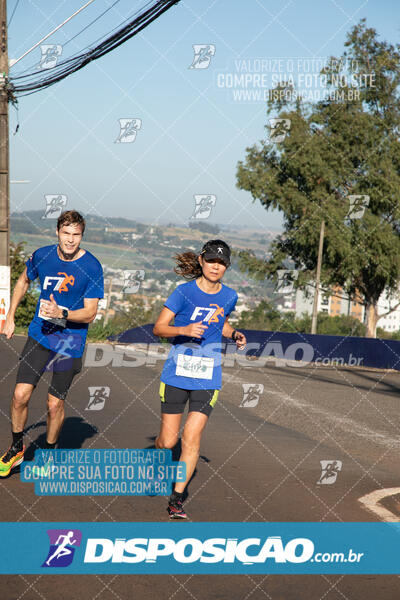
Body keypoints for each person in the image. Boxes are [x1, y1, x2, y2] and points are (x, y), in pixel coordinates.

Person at [0, 210, 104, 477]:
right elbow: (23, 281)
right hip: (41, 334)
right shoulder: (43, 255)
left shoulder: (91, 267)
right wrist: (10, 316)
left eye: (76, 235)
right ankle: (16, 448)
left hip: (70, 340)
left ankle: (49, 452)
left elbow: (91, 313)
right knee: (20, 395)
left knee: (54, 404)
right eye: (66, 233)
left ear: (82, 236)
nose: (70, 240)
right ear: (57, 232)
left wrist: (64, 314)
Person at [153, 239, 246, 519]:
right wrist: (185, 329)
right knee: (169, 442)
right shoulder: (183, 293)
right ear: (202, 261)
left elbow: (221, 322)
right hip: (177, 374)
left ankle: (177, 499)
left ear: (226, 267)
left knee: (192, 437)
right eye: (212, 261)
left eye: (222, 263)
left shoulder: (230, 296)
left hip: (208, 377)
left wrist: (233, 334)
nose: (216, 267)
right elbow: (159, 328)